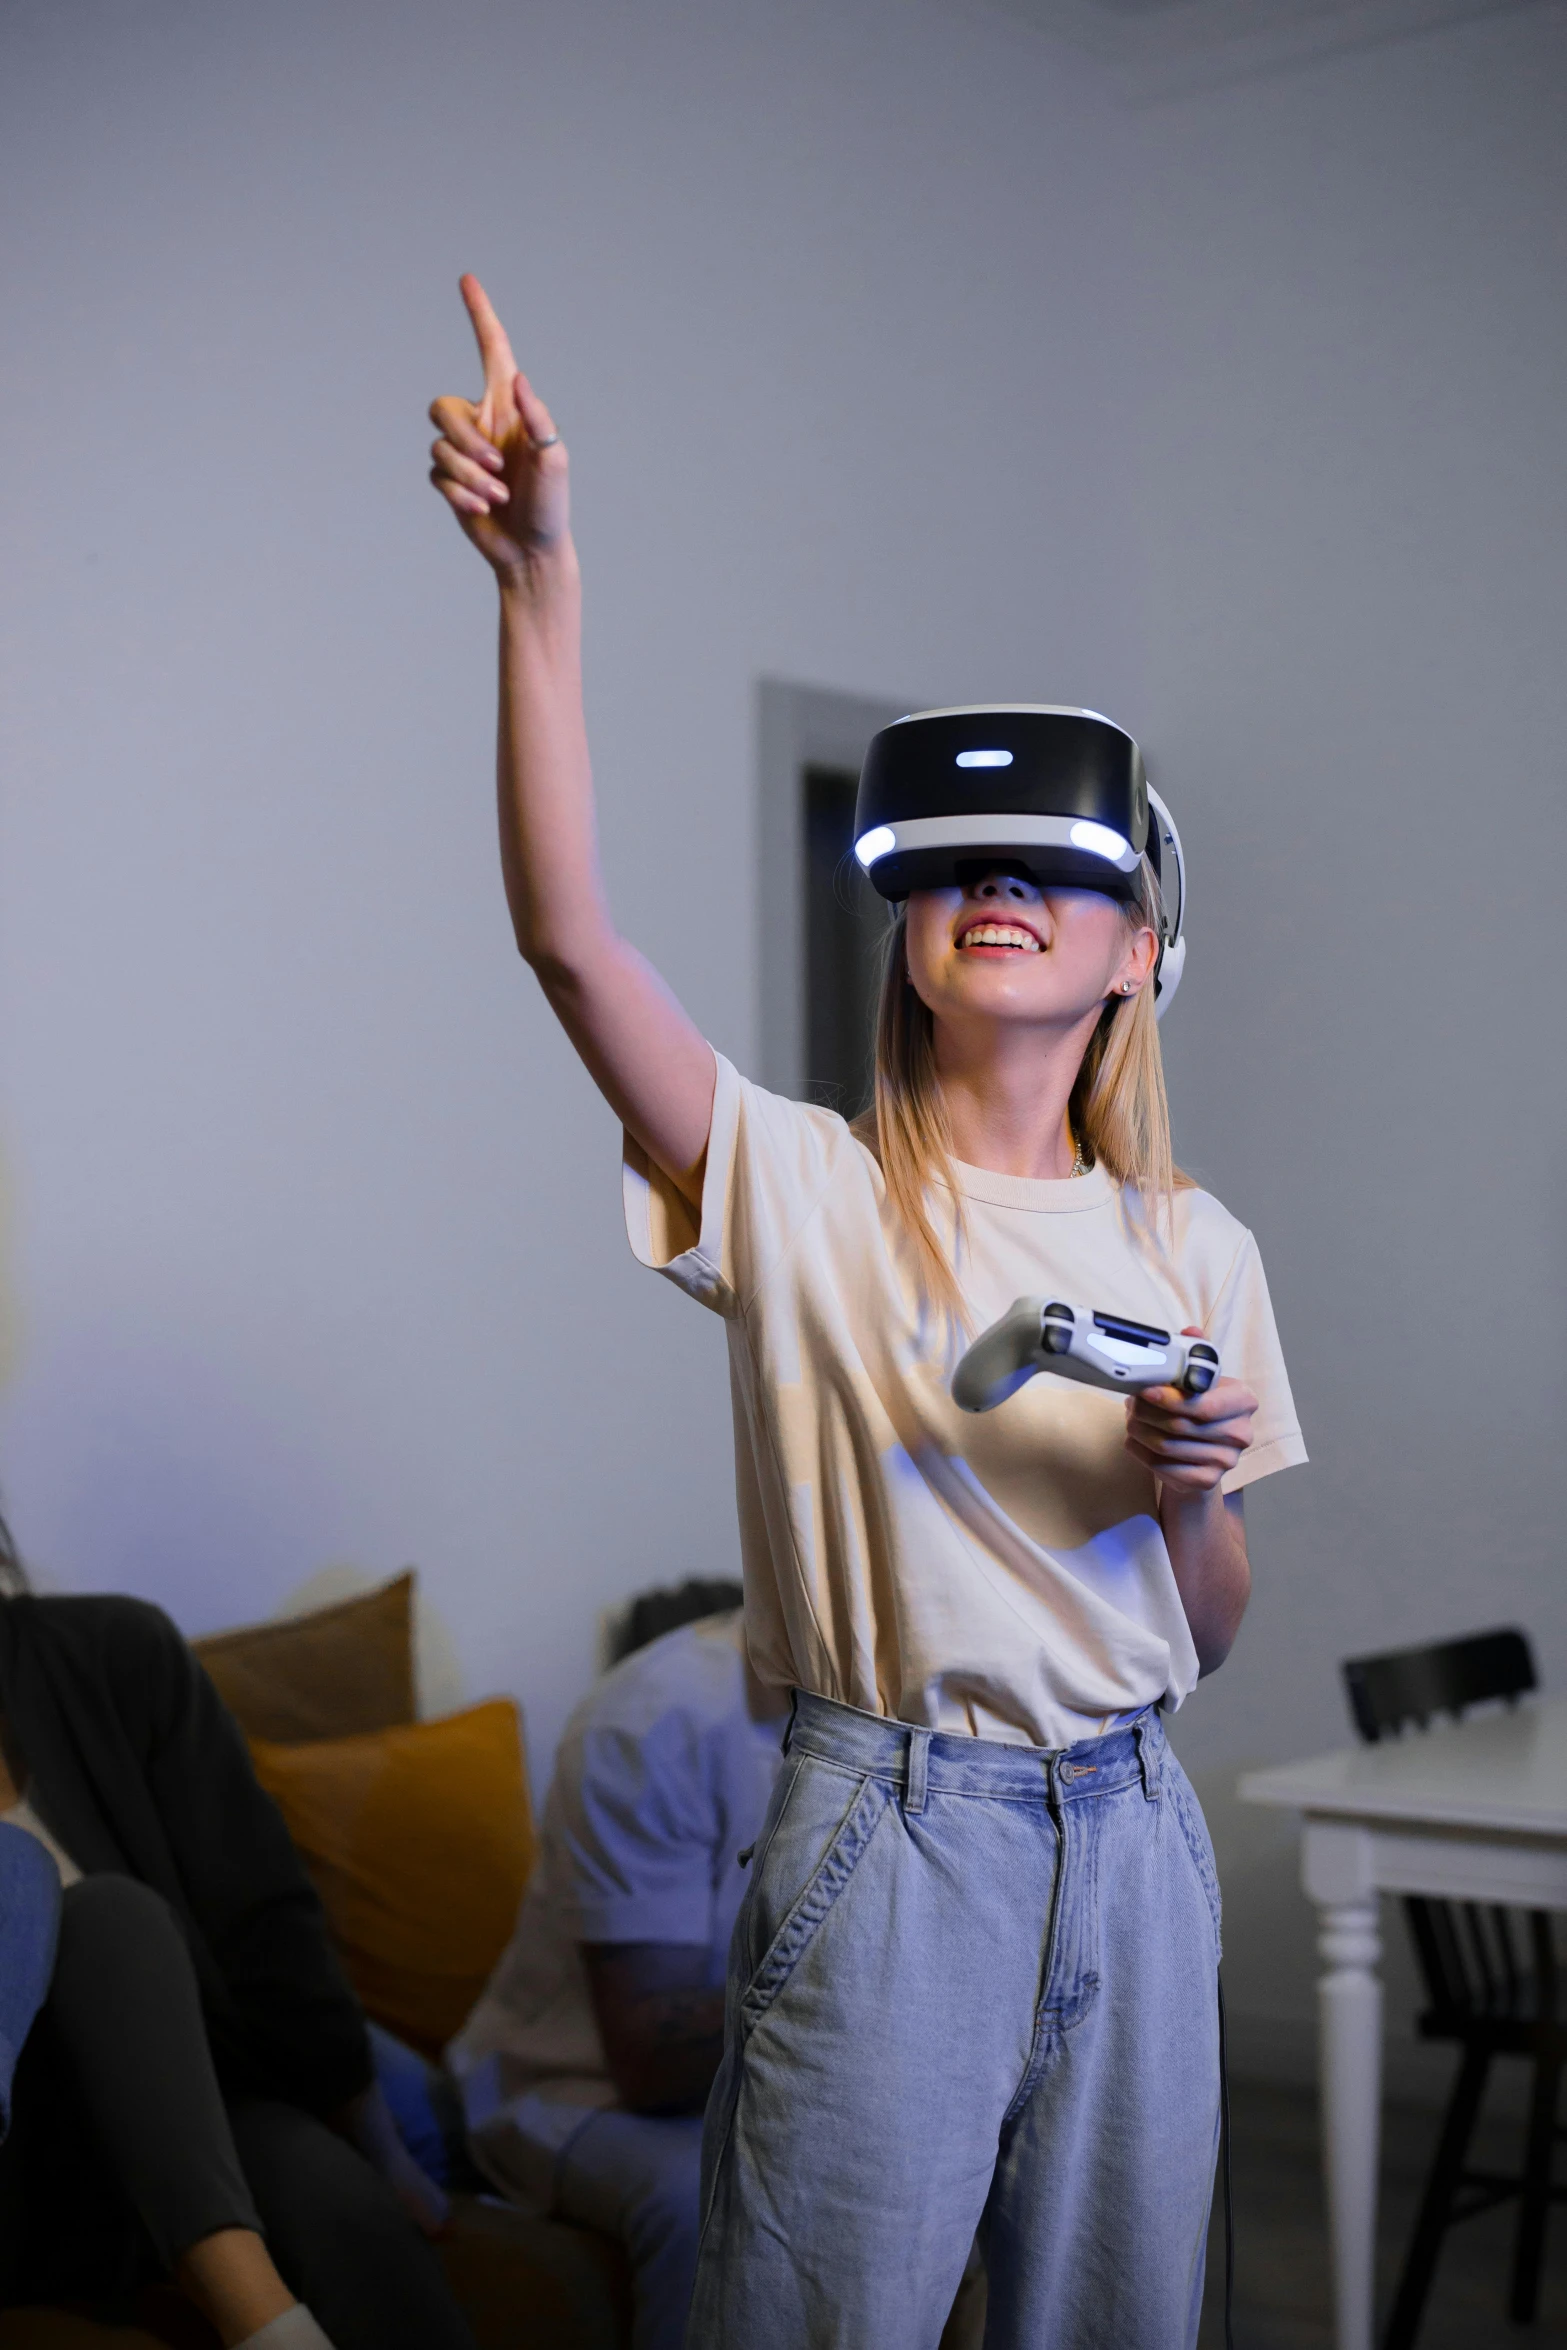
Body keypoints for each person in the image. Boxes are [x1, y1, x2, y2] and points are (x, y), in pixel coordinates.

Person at [426, 276, 1307, 2350]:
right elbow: (569, 945)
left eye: (1053, 864)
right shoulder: (798, 1184)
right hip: (889, 1833)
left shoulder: (1200, 1247)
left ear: (1134, 947)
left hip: (1137, 1821)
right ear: (913, 935)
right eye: (955, 865)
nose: (999, 883)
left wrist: (1186, 1488)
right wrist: (539, 588)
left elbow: (1214, 1610)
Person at [0, 1509, 474, 2350]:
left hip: (195, 2112)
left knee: (344, 2209)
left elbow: (266, 1926)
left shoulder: (116, 1653)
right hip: (24, 2169)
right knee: (111, 1919)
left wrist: (375, 2142)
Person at [449, 1604, 787, 2350]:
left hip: (776, 2084)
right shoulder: (651, 1723)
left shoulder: (952, 1704)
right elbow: (647, 2060)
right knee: (708, 2194)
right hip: (577, 2089)